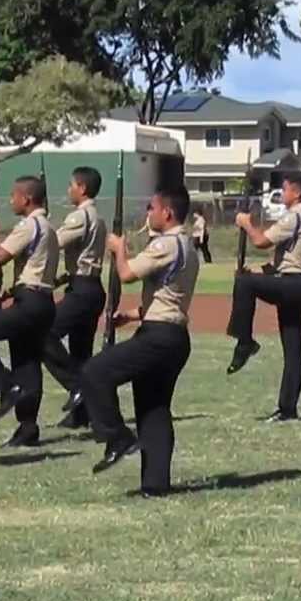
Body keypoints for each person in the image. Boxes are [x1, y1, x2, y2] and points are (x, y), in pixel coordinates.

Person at [78, 185, 200, 496]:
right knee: (154, 408)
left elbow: (128, 274)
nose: (148, 213)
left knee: (95, 372)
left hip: (159, 336)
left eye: (151, 207)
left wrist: (119, 250)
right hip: (171, 334)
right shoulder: (186, 244)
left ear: (167, 212)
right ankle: (155, 484)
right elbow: (168, 294)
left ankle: (117, 436)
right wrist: (132, 315)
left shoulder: (168, 243)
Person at [0, 175, 59, 448]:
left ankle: (5, 386)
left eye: (14, 196)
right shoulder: (48, 226)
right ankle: (27, 427)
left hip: (30, 302)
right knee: (27, 363)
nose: (10, 200)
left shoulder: (29, 225)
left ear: (26, 199)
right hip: (41, 300)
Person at [225, 172, 301, 423]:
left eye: (285, 189)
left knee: (244, 284)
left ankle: (245, 342)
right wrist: (259, 271)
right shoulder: (300, 217)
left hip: (295, 284)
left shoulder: (295, 216)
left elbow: (261, 241)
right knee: (292, 347)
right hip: (295, 281)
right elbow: (284, 259)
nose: (282, 193)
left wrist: (246, 223)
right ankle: (288, 408)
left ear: (297, 193)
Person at [43, 167, 107, 430]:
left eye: (71, 185)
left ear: (81, 188)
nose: (68, 190)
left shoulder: (79, 217)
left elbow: (51, 244)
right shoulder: (97, 217)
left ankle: (78, 387)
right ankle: (84, 415)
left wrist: (41, 226)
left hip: (82, 289)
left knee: (42, 334)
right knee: (82, 353)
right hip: (88, 286)